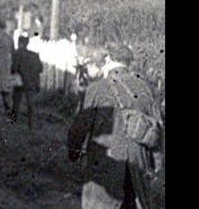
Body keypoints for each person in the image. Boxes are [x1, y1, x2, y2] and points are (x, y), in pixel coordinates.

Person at [66, 43, 164, 208]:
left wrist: (73, 153)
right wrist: (157, 165)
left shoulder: (96, 88)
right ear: (130, 63)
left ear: (109, 59)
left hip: (105, 165)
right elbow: (157, 130)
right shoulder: (146, 89)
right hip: (137, 166)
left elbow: (80, 127)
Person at [9, 35, 43, 129]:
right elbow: (40, 69)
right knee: (31, 104)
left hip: (20, 82)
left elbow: (14, 68)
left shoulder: (16, 54)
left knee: (16, 102)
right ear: (27, 43)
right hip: (31, 81)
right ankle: (31, 124)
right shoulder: (35, 55)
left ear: (19, 43)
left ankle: (13, 121)